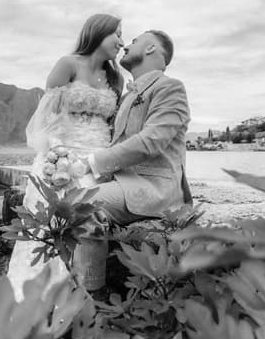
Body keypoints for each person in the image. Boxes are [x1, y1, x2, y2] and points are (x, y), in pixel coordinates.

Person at [6, 13, 123, 302]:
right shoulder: (68, 65)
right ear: (98, 32)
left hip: (100, 159)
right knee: (54, 226)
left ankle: (83, 297)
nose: (121, 42)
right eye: (117, 34)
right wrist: (60, 158)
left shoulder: (115, 77)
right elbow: (48, 118)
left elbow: (114, 124)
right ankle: (37, 302)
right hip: (63, 157)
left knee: (92, 218)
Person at [82, 29, 192, 224]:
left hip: (154, 189)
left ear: (150, 48)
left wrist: (90, 163)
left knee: (81, 204)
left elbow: (151, 142)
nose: (125, 46)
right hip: (120, 182)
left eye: (134, 41)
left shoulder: (170, 87)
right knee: (64, 196)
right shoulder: (126, 97)